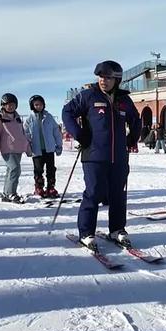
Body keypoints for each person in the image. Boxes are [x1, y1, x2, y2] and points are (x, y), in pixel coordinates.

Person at [61, 60, 140, 248]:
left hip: (119, 157)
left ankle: (117, 229)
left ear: (117, 80)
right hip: (94, 155)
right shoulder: (88, 96)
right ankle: (87, 232)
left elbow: (136, 119)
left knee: (118, 195)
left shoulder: (124, 100)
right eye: (100, 76)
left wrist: (132, 139)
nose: (103, 80)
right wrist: (79, 133)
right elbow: (67, 112)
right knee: (94, 193)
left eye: (107, 77)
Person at [0, 93, 32, 203]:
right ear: (3, 105)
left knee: (11, 170)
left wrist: (27, 148)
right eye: (8, 105)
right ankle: (11, 193)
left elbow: (22, 134)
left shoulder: (17, 118)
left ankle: (6, 193)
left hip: (18, 148)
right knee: (15, 169)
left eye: (13, 104)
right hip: (7, 148)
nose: (10, 107)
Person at [23, 94, 63, 198]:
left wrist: (59, 145)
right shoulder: (29, 119)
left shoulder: (48, 117)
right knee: (38, 170)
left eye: (40, 104)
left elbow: (56, 132)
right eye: (36, 105)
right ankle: (39, 187)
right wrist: (28, 148)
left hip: (49, 149)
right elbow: (26, 134)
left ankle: (51, 187)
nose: (38, 107)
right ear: (32, 106)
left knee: (51, 169)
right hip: (37, 150)